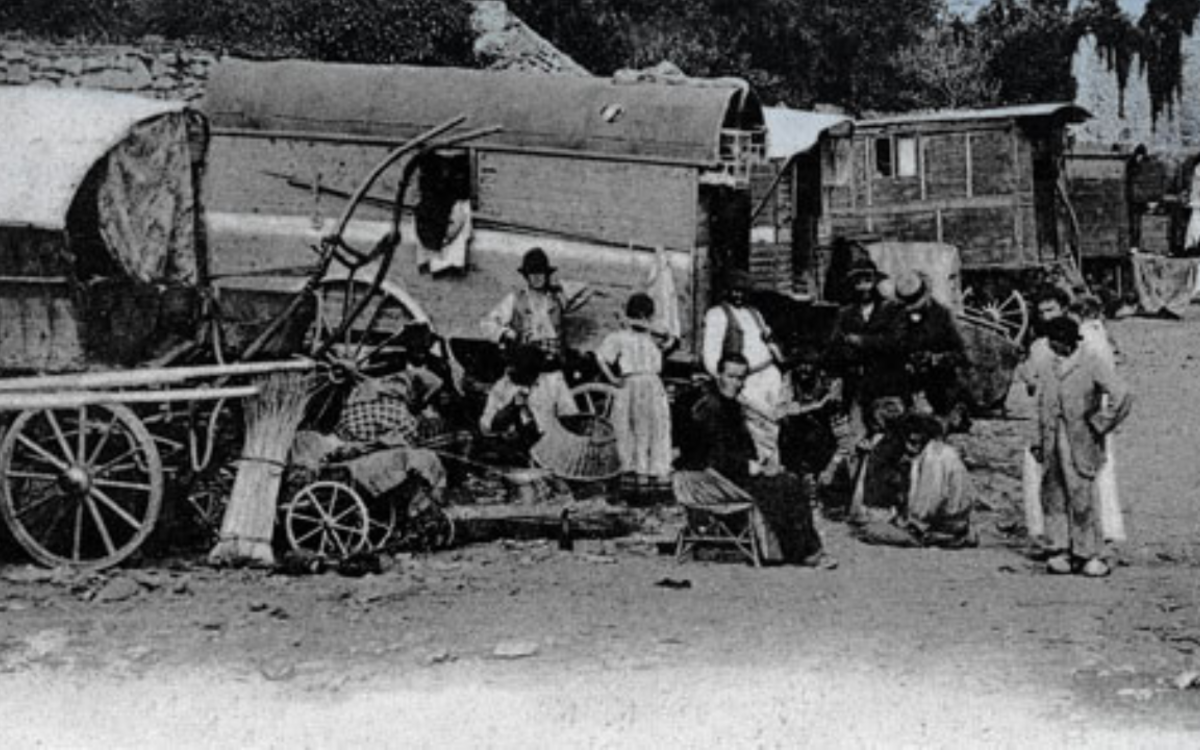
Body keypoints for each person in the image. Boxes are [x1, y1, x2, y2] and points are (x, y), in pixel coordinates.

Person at [678, 353, 832, 568]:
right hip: (709, 477)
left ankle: (802, 549)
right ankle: (804, 551)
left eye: (741, 378)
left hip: (727, 471)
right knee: (785, 485)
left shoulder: (729, 404)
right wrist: (753, 467)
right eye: (731, 376)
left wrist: (760, 461)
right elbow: (712, 454)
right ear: (718, 375)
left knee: (786, 480)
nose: (736, 383)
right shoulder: (709, 406)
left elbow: (738, 446)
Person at [1033, 318, 1132, 577]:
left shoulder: (1091, 362)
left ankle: (1088, 552)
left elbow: (1121, 394)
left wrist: (1100, 423)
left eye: (1058, 344)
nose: (1054, 349)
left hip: (1079, 436)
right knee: (1053, 493)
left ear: (1069, 342)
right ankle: (1059, 548)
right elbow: (1042, 404)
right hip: (1052, 437)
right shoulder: (1046, 364)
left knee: (1082, 495)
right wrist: (1038, 440)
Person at [595, 293, 676, 504]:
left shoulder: (654, 335)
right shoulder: (620, 337)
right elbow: (601, 357)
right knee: (629, 430)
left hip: (652, 386)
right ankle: (633, 481)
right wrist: (612, 378)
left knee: (655, 429)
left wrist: (647, 326)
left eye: (645, 315)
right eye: (637, 315)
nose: (641, 318)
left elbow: (670, 337)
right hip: (630, 385)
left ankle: (654, 478)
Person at [701, 268, 785, 466]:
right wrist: (726, 383)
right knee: (755, 425)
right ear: (726, 291)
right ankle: (756, 467)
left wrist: (775, 352)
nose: (738, 295)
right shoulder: (717, 314)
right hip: (748, 379)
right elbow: (711, 356)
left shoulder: (754, 313)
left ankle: (773, 469)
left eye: (742, 291)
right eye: (734, 290)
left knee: (774, 424)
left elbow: (766, 339)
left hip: (769, 374)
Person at [852, 412, 974, 548]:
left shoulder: (934, 458)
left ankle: (937, 539)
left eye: (915, 441)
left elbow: (927, 504)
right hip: (952, 522)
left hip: (942, 526)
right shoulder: (936, 451)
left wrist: (911, 525)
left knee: (871, 531)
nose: (911, 447)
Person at [825, 257, 907, 433]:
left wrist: (862, 341)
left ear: (875, 281)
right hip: (855, 386)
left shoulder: (892, 309)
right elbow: (834, 346)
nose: (863, 285)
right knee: (857, 435)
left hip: (886, 384)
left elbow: (897, 342)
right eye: (858, 281)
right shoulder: (845, 313)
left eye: (867, 279)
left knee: (889, 434)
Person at [481, 247, 591, 362]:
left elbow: (587, 290)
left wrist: (559, 285)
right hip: (526, 363)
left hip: (555, 363)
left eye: (540, 272)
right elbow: (487, 322)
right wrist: (507, 333)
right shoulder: (516, 298)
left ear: (547, 274)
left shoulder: (557, 298)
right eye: (532, 272)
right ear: (526, 276)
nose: (536, 277)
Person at [894, 271, 970, 430]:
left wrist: (935, 359)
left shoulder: (942, 315)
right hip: (908, 383)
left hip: (939, 384)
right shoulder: (897, 315)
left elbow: (961, 355)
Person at [478, 345, 578, 466]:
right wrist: (512, 407)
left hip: (551, 443)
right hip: (516, 447)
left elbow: (570, 415)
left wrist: (556, 440)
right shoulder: (503, 385)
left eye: (529, 377)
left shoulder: (553, 380)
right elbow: (487, 426)